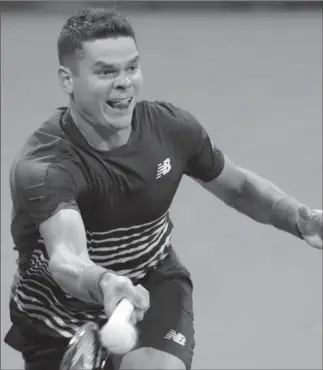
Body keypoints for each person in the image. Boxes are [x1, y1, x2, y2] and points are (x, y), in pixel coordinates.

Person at [4, 7, 322, 370]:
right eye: (106, 71)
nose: (124, 82)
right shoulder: (45, 167)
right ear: (67, 79)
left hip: (152, 283)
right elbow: (66, 258)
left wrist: (299, 218)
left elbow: (238, 187)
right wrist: (105, 281)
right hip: (55, 315)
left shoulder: (171, 129)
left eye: (131, 67)